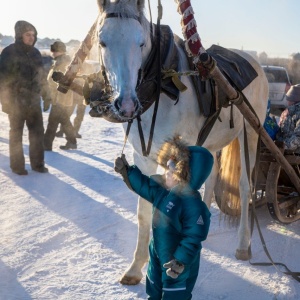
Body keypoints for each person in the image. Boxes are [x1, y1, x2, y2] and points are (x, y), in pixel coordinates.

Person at [114, 137, 213, 300]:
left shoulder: (193, 205)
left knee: (175, 293)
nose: (166, 171)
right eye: (167, 166)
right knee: (154, 286)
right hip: (158, 251)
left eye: (172, 168)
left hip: (177, 261)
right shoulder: (162, 191)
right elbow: (145, 186)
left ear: (184, 175)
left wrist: (180, 261)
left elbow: (194, 237)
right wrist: (127, 170)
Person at [0, 20, 51, 175]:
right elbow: (2, 79)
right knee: (16, 134)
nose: (31, 38)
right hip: (16, 102)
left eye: (33, 35)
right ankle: (17, 166)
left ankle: (38, 164)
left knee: (37, 133)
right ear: (19, 35)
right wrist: (5, 102)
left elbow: (42, 76)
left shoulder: (36, 53)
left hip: (34, 101)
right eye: (28, 34)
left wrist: (46, 95)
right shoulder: (9, 52)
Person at [44, 41, 77, 150]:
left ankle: (46, 145)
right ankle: (72, 142)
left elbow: (65, 80)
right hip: (58, 97)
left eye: (54, 51)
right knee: (64, 121)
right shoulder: (58, 61)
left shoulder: (64, 62)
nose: (52, 53)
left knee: (53, 123)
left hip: (61, 98)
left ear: (61, 51)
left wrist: (56, 97)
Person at [277, 84, 300, 152]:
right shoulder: (287, 112)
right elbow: (282, 131)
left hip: (295, 154)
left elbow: (298, 137)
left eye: (289, 99)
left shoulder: (296, 113)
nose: (287, 101)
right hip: (284, 151)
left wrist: (284, 146)